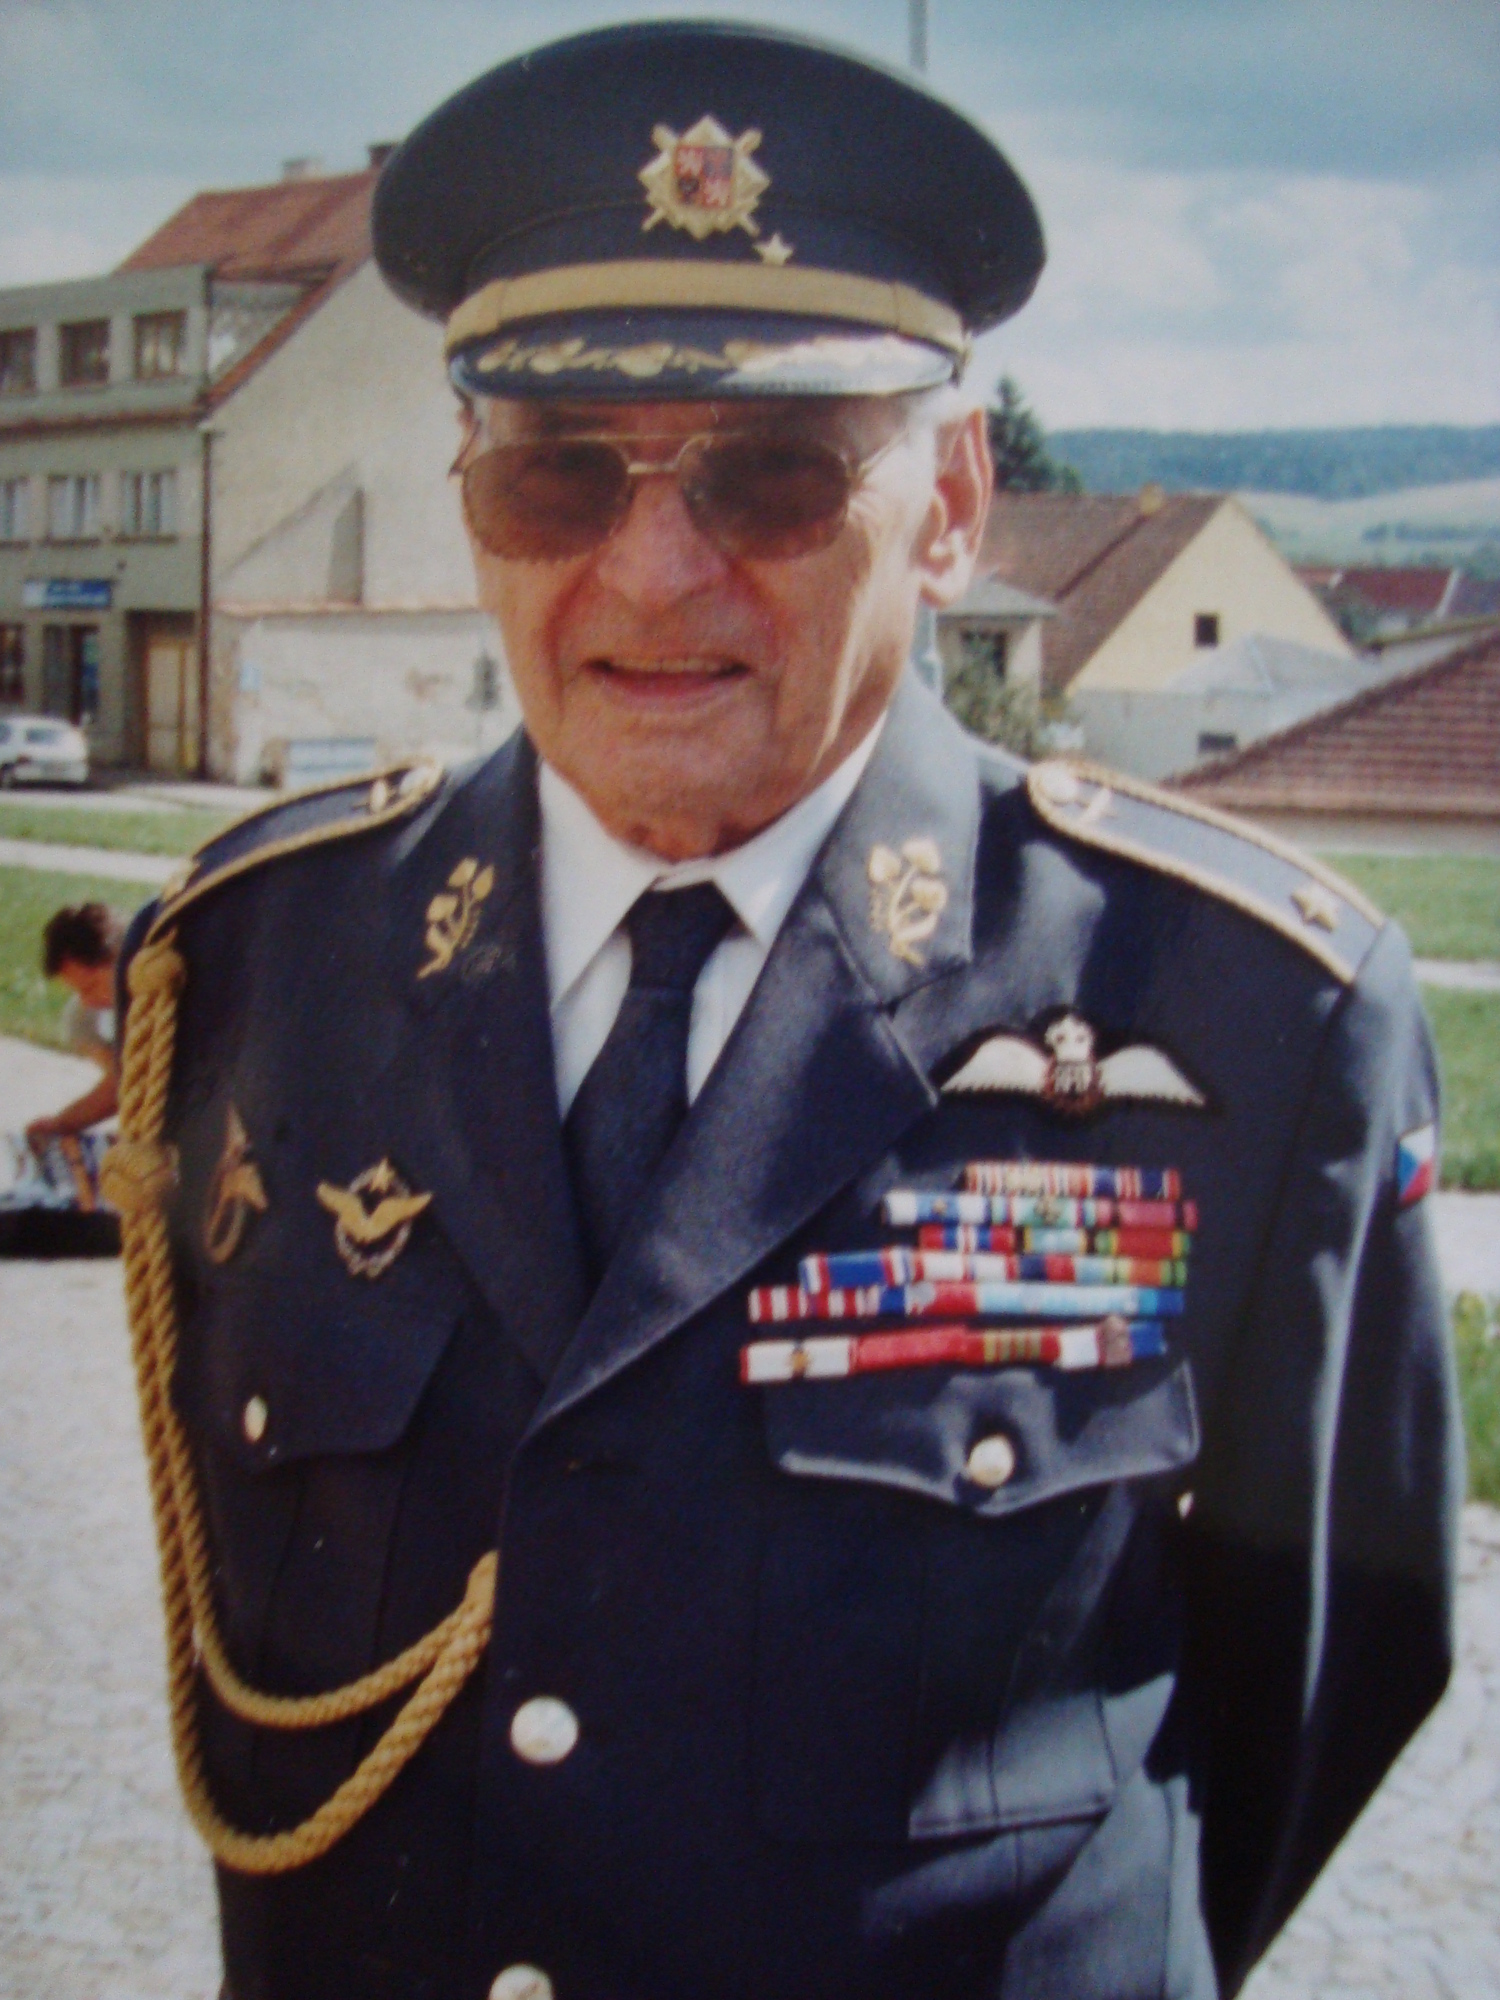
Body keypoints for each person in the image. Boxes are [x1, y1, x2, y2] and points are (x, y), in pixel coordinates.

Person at [105, 22, 1460, 2000]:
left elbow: (1322, 1676)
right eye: (560, 469)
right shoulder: (255, 965)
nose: (654, 571)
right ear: (472, 491)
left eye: (773, 472)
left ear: (953, 502)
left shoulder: (1242, 1015)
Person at [25, 902, 123, 1154]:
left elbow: (126, 1085)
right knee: (79, 1018)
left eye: (91, 986)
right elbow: (122, 1086)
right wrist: (59, 1124)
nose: (87, 1001)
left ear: (120, 955)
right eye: (78, 991)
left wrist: (64, 1122)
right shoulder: (86, 1016)